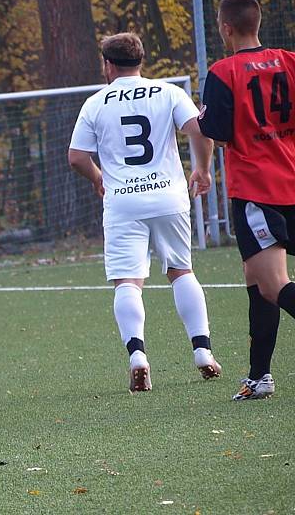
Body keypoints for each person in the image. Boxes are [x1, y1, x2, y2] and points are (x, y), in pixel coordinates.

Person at [68, 32, 221, 392]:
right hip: (168, 196)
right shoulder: (167, 91)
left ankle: (137, 356)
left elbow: (76, 157)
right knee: (181, 271)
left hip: (123, 201)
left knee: (128, 281)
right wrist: (202, 168)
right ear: (141, 61)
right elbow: (199, 130)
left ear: (108, 64)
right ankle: (202, 351)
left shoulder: (96, 102)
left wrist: (97, 177)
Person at [199, 0, 295, 401]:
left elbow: (216, 132)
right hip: (292, 178)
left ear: (225, 28)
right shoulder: (290, 61)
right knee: (256, 281)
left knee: (274, 286)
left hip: (259, 192)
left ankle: (260, 378)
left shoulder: (223, 71)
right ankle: (259, 378)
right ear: (257, 22)